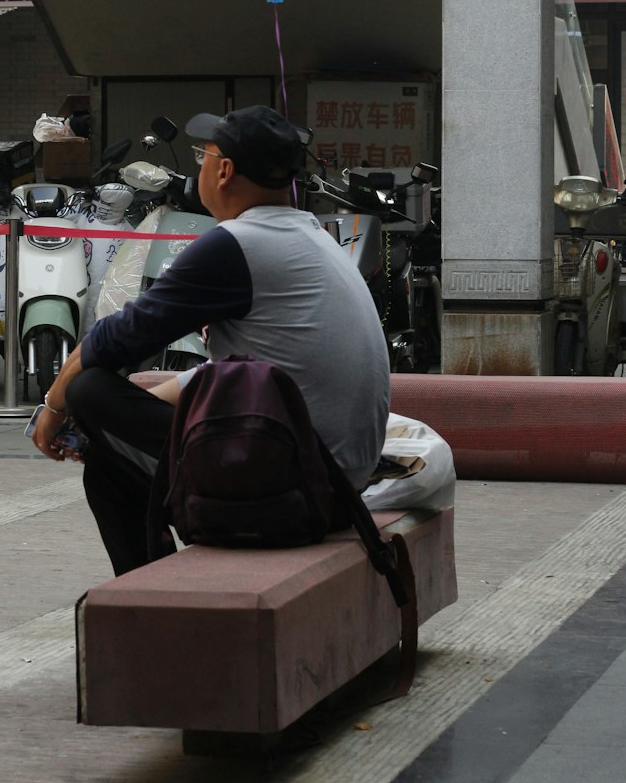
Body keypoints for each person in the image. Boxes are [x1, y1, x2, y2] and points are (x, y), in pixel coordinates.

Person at [32, 105, 390, 576]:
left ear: (223, 171)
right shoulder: (309, 234)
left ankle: (150, 596)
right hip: (336, 484)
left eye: (204, 154)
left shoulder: (235, 245)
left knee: (90, 391)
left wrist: (54, 412)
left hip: (297, 490)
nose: (198, 165)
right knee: (108, 457)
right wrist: (133, 412)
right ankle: (156, 590)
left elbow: (109, 344)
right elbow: (244, 367)